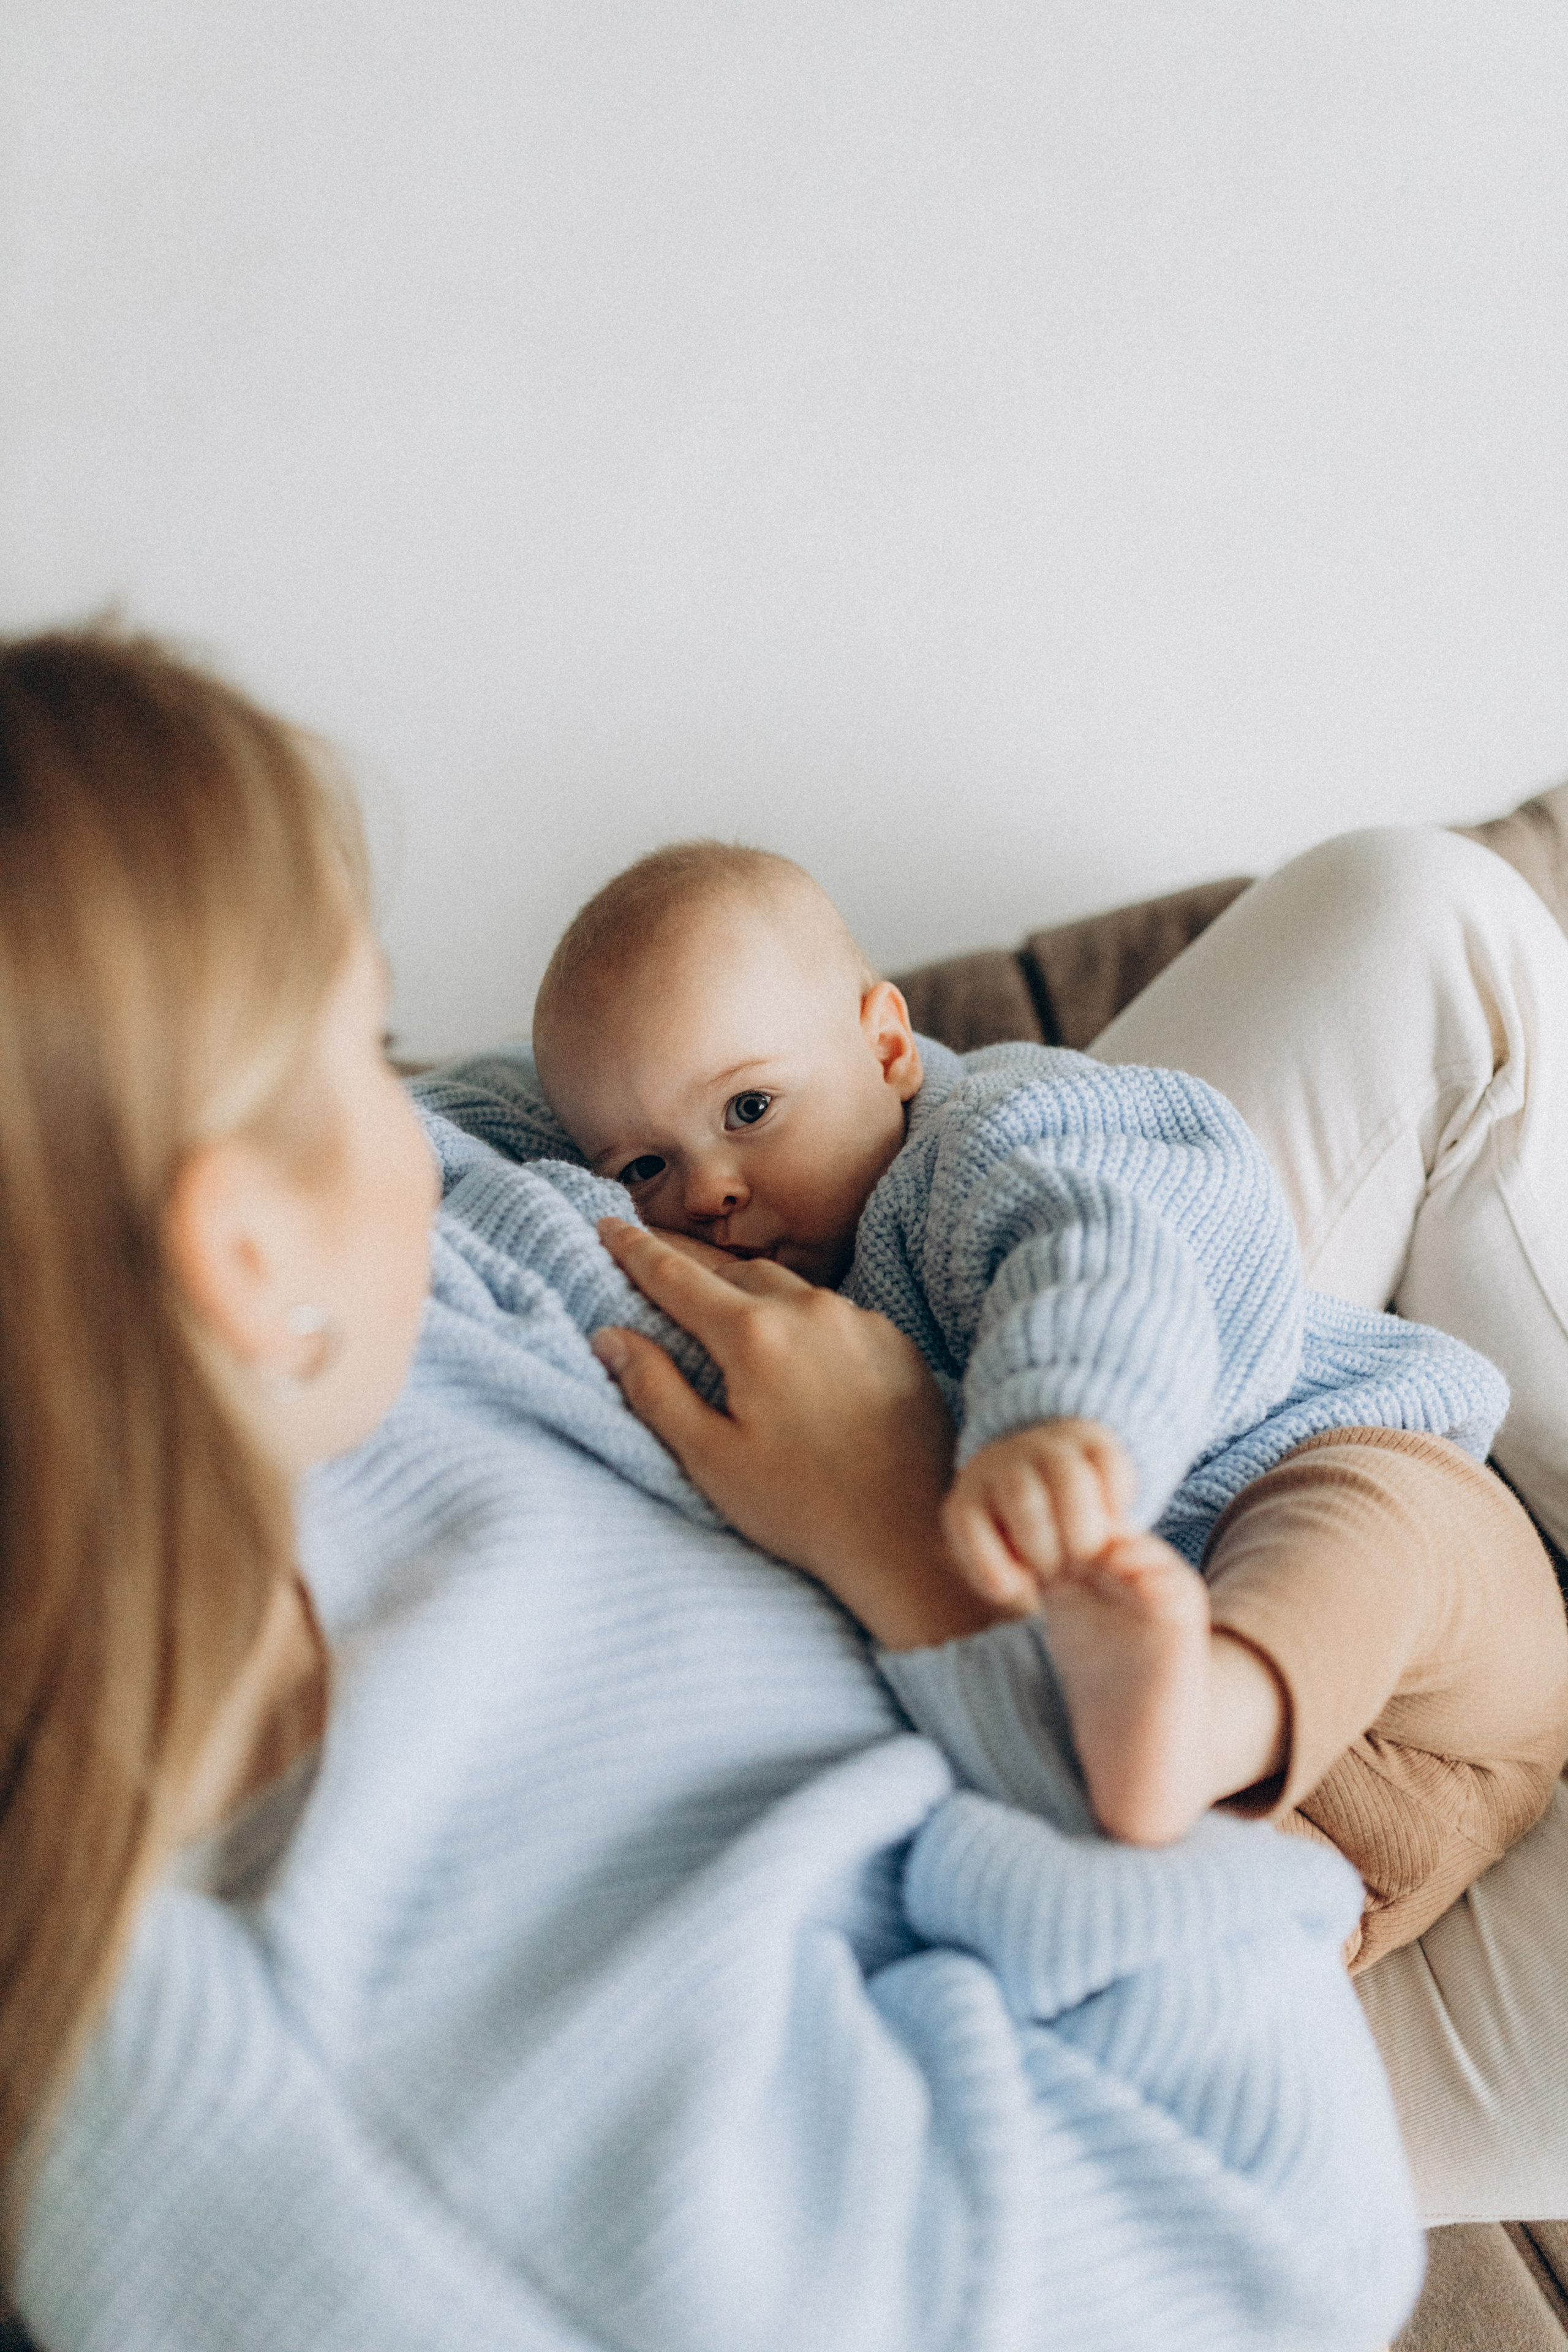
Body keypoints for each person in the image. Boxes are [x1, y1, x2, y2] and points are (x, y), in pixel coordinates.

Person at [0, 628, 1420, 2351]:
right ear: (237, 1254)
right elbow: (1296, 2252)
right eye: (361, 1048)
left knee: (1408, 914)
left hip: (1180, 1451)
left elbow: (978, 1183)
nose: (417, 1122)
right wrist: (922, 1557)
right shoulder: (416, 2161)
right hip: (1246, 1837)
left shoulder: (260, 1353)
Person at [527, 842, 1568, 1958]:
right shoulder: (772, 1297)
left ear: (887, 1048)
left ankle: (1206, 1709)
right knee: (1130, 1909)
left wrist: (1061, 1421)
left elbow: (1105, 1257)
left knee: (1360, 1510)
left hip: (1430, 1669)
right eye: (644, 1169)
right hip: (1269, 1829)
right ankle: (1179, 1756)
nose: (709, 1192)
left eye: (748, 1107)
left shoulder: (993, 1142)